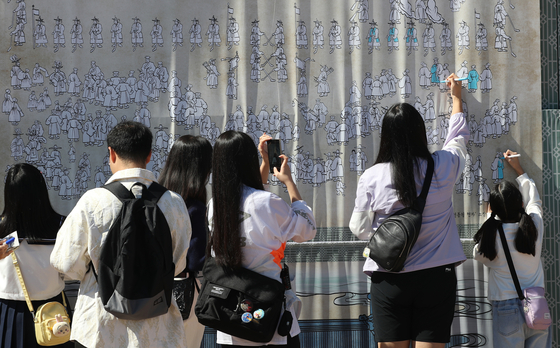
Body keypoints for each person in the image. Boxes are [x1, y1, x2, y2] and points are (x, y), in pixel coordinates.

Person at [349, 74, 468, 348]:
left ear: (386, 137)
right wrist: (457, 99)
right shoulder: (443, 165)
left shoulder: (372, 176)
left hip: (390, 276)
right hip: (437, 277)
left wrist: (385, 235)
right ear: (420, 132)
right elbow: (458, 140)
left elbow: (358, 228)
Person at [50, 121, 192, 348]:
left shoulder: (93, 201)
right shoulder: (174, 202)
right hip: (158, 327)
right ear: (149, 155)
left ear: (111, 153)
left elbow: (65, 263)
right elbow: (178, 263)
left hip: (101, 327)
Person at [209, 131, 317, 347]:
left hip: (230, 316)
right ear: (249, 160)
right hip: (269, 315)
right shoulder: (267, 202)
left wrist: (265, 163)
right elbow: (306, 231)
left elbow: (250, 198)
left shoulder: (214, 206)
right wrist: (289, 183)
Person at [473, 151, 551, 348]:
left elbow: (477, 253)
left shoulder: (492, 240)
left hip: (505, 307)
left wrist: (488, 218)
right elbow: (534, 201)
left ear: (494, 210)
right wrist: (518, 169)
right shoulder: (534, 226)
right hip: (537, 306)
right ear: (521, 203)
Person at [0, 163, 73, 348]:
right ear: (41, 191)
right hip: (54, 309)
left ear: (9, 195)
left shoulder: (3, 231)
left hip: (10, 311)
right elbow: (72, 270)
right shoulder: (61, 225)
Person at [159, 135, 212, 348]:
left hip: (153, 293)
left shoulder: (157, 199)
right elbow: (196, 260)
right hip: (186, 294)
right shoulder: (194, 208)